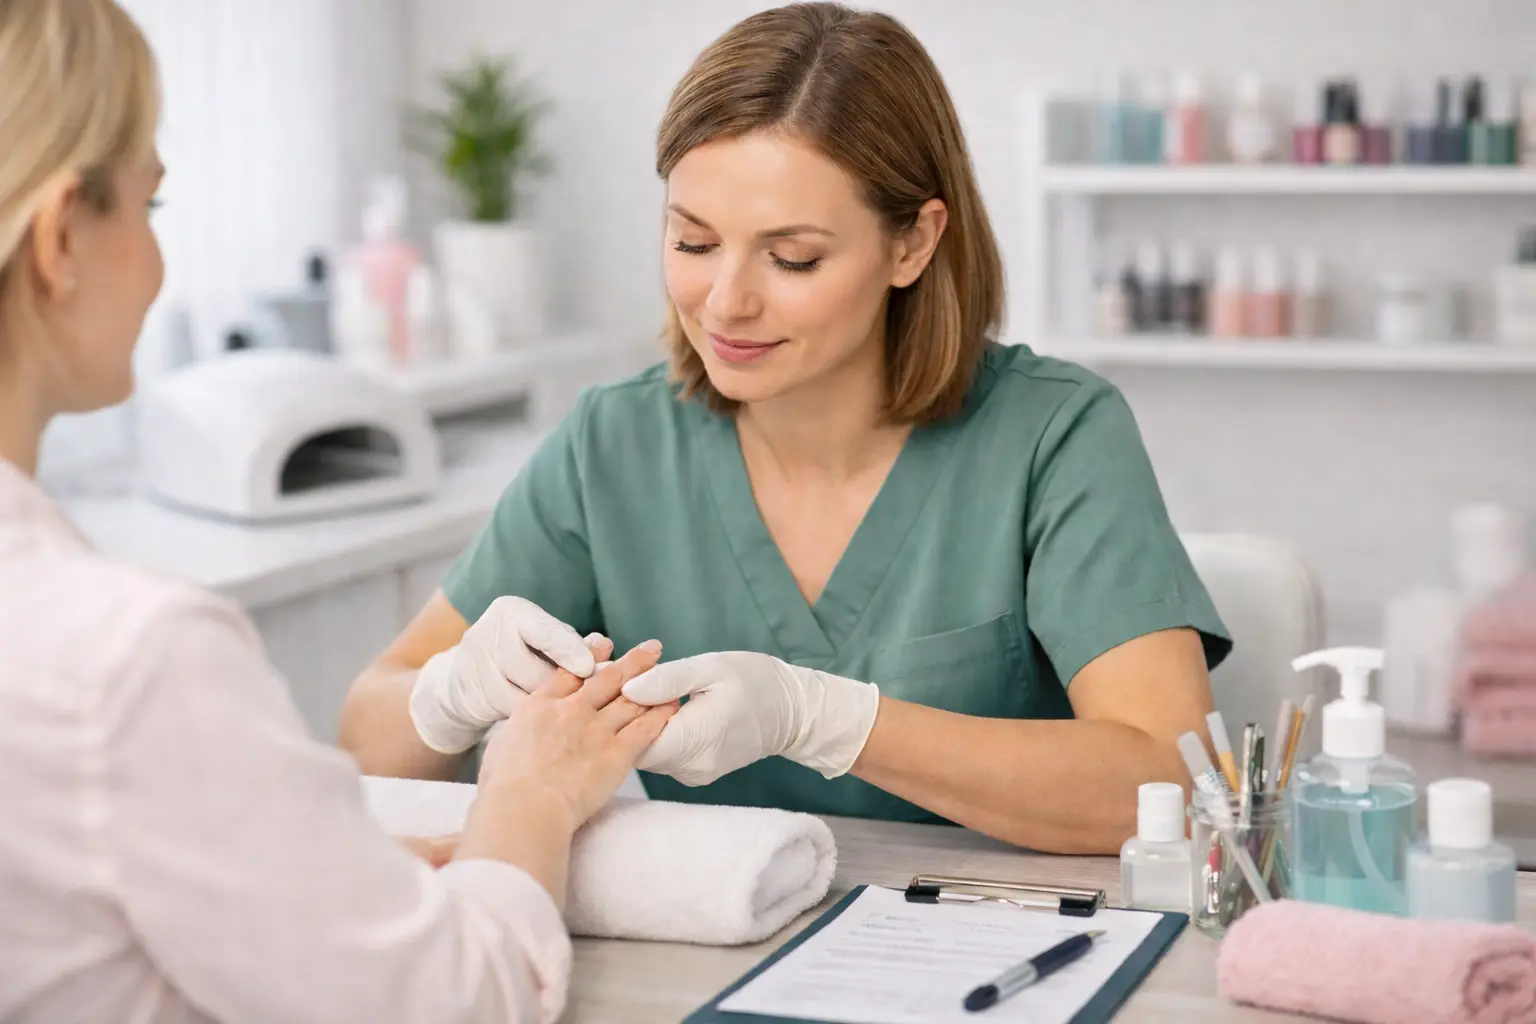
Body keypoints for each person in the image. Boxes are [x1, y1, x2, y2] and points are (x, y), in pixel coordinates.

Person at [340, 1, 1231, 855]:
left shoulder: (1054, 435)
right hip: (728, 946)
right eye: (692, 242)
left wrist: (825, 718)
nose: (726, 301)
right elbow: (365, 745)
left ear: (912, 244)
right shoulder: (614, 447)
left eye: (792, 257)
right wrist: (448, 696)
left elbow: (1171, 786)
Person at [0, 2, 676, 1021]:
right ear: (59, 236)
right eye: (151, 207)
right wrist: (528, 791)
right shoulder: (126, 654)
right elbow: (456, 1000)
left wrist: (308, 880)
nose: (156, 262)